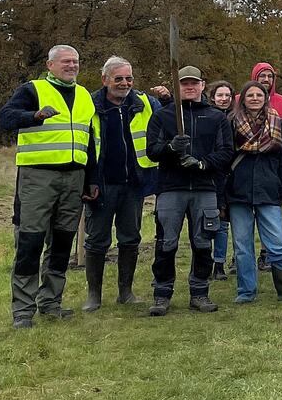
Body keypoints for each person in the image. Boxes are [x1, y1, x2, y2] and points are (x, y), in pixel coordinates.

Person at [0, 45, 101, 327]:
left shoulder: (84, 95)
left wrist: (91, 178)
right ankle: (22, 311)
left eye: (76, 61)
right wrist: (33, 116)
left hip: (74, 178)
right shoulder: (32, 90)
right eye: (66, 61)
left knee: (62, 243)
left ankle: (51, 302)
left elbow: (89, 141)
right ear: (50, 65)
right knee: (30, 242)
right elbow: (4, 119)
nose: (72, 66)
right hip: (38, 178)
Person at [145, 65, 233, 317]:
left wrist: (203, 163)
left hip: (204, 188)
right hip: (171, 187)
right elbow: (152, 150)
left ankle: (200, 292)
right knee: (166, 243)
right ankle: (161, 294)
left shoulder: (216, 117)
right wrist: (171, 147)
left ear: (203, 85)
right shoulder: (164, 116)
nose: (190, 87)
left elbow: (225, 152)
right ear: (177, 86)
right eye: (184, 83)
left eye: (194, 83)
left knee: (203, 242)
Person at [82, 55, 157, 312]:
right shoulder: (89, 105)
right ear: (105, 80)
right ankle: (94, 295)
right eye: (119, 79)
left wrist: (168, 97)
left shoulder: (144, 103)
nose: (125, 83)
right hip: (101, 185)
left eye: (129, 78)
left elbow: (171, 115)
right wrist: (86, 181)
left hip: (133, 185)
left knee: (130, 238)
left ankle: (126, 292)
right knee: (97, 240)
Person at [224, 81, 282, 304]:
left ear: (265, 98)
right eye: (250, 95)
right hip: (238, 191)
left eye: (259, 95)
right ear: (242, 99)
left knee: (278, 242)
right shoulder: (231, 123)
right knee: (242, 245)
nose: (255, 98)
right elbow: (224, 159)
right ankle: (246, 291)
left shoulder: (277, 123)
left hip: (269, 190)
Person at [206, 81, 235, 281]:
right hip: (211, 175)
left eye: (227, 95)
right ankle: (204, 262)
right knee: (209, 222)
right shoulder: (206, 117)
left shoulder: (236, 119)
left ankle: (219, 263)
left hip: (231, 176)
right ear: (213, 97)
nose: (224, 99)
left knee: (224, 222)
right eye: (220, 95)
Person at [250, 62, 282, 133]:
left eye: (270, 76)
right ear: (255, 77)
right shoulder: (240, 100)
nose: (266, 79)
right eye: (262, 76)